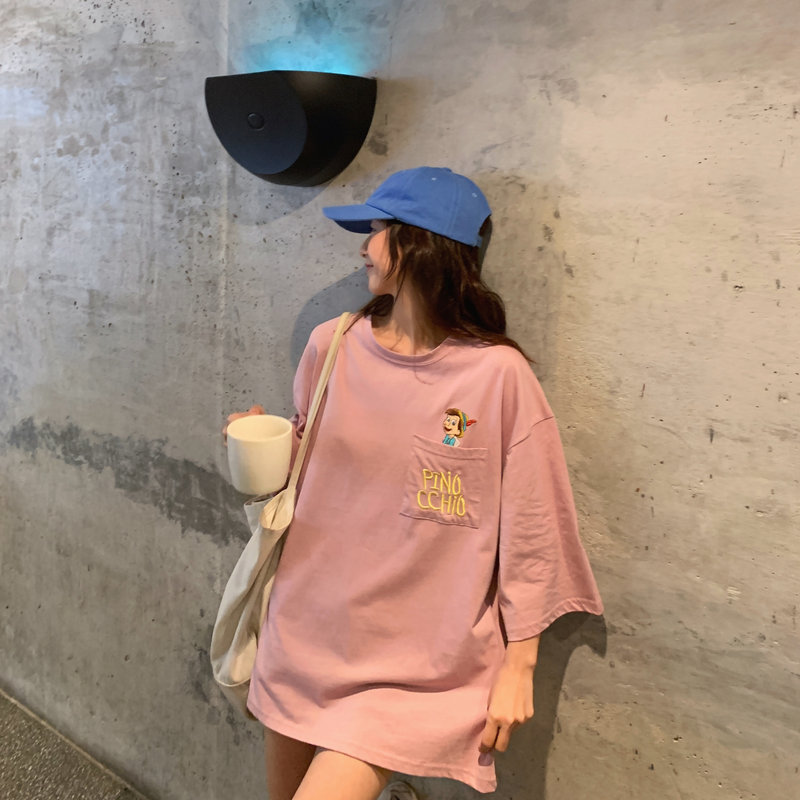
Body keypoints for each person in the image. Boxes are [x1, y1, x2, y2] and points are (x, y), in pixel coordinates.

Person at [223, 166, 603, 800]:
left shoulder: (497, 376)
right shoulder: (332, 344)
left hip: (417, 667)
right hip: (305, 630)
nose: (363, 247)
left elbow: (535, 528)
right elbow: (318, 462)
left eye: (377, 229)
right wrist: (259, 441)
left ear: (419, 244)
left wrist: (520, 664)